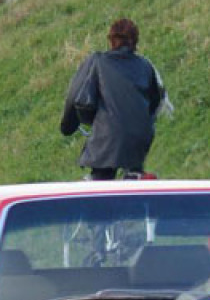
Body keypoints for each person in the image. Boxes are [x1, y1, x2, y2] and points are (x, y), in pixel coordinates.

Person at [60, 18, 167, 180]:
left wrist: (67, 126)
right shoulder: (146, 66)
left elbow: (74, 96)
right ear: (135, 41)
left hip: (107, 137)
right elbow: (156, 101)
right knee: (132, 170)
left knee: (101, 178)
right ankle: (135, 177)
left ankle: (99, 186)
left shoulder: (97, 61)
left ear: (111, 40)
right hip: (140, 137)